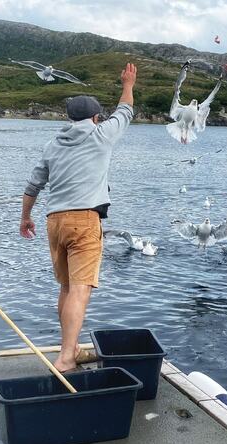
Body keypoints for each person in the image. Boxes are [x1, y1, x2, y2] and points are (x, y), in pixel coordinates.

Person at [19, 63, 137, 373]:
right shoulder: (101, 135)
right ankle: (67, 358)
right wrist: (128, 83)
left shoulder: (52, 144)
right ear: (97, 117)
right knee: (80, 289)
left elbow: (33, 185)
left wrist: (25, 218)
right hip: (84, 221)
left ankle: (68, 350)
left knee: (67, 289)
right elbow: (125, 110)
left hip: (54, 222)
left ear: (69, 117)